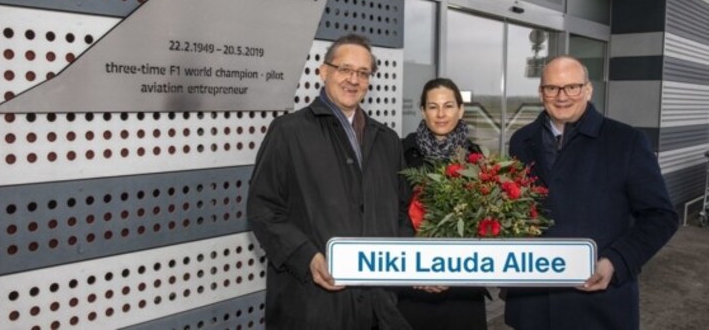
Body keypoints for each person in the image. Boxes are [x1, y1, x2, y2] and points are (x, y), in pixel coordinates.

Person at [247, 34, 413, 329]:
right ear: (324, 71)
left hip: (378, 308)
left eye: (363, 73)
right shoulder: (288, 132)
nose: (353, 79)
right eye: (344, 69)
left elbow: (401, 212)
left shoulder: (387, 141)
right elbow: (263, 209)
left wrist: (410, 263)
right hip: (313, 306)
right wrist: (307, 256)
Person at [505, 55, 679, 330]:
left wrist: (616, 260)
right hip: (533, 305)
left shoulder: (627, 142)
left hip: (598, 304)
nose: (562, 96)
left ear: (588, 89)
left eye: (572, 87)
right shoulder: (520, 141)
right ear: (541, 93)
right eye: (552, 88)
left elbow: (661, 216)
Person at [399, 78, 488, 330]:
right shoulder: (401, 153)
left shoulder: (477, 158)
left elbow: (482, 219)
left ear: (460, 110)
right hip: (412, 284)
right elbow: (391, 212)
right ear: (422, 110)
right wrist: (418, 266)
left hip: (462, 287)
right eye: (433, 106)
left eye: (448, 106)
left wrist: (451, 268)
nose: (440, 114)